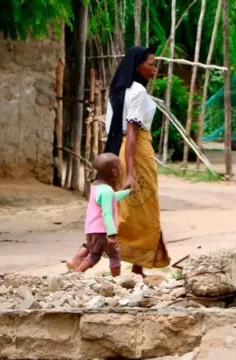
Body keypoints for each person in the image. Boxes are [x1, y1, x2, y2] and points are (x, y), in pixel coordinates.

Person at [66, 46, 170, 277]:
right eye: (150, 64)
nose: (154, 68)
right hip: (136, 152)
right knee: (142, 209)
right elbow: (132, 132)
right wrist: (131, 172)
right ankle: (131, 265)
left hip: (120, 152)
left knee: (122, 208)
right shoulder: (138, 92)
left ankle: (85, 255)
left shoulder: (119, 92)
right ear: (137, 66)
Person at [70, 153, 130, 276]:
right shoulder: (107, 190)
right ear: (114, 171)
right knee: (115, 255)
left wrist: (127, 192)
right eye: (119, 167)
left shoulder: (96, 187)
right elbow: (107, 214)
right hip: (102, 232)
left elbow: (112, 198)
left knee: (94, 255)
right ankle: (116, 280)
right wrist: (112, 235)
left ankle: (76, 274)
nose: (121, 170)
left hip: (91, 230)